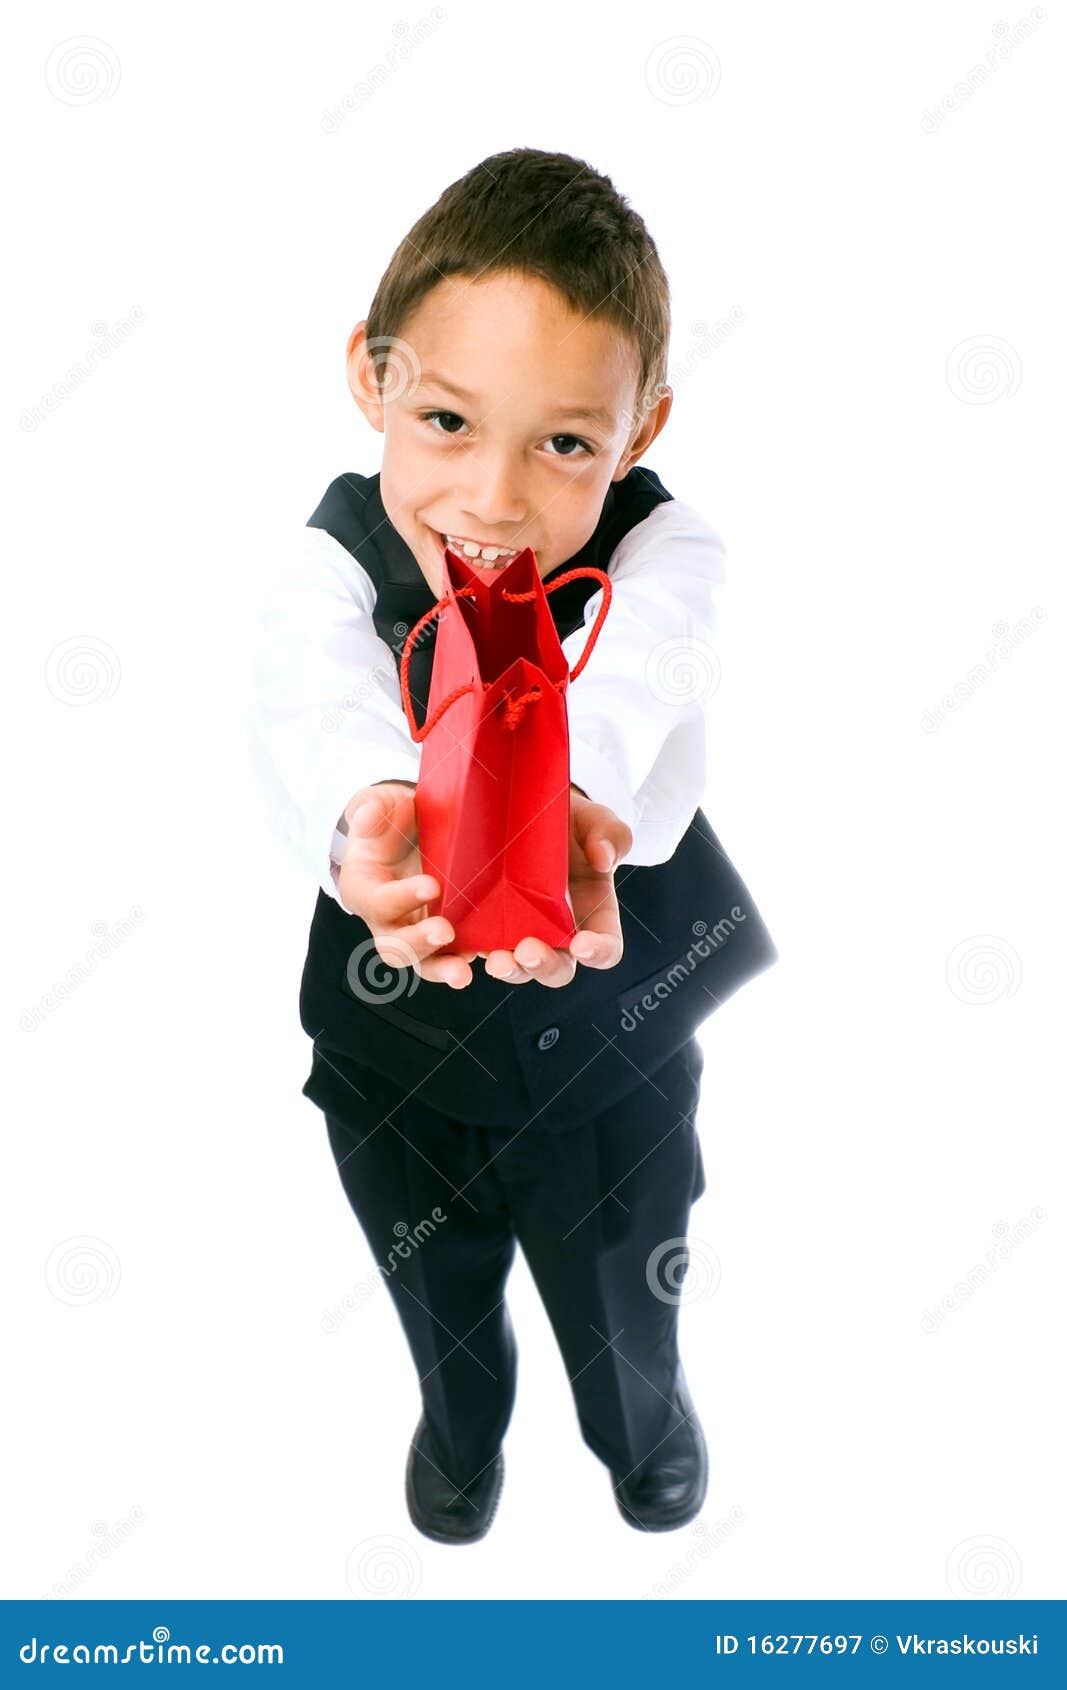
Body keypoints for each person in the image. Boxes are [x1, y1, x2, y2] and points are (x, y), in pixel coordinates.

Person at [249, 147, 777, 1544]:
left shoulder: (667, 555)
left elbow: (643, 668)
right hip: (398, 1035)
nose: (490, 501)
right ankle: (461, 1421)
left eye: (563, 444)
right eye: (443, 420)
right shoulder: (333, 561)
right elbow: (316, 696)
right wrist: (373, 811)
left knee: (623, 1267)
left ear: (640, 429)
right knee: (436, 1267)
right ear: (371, 377)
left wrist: (566, 791)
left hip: (614, 1019)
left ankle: (638, 1424)